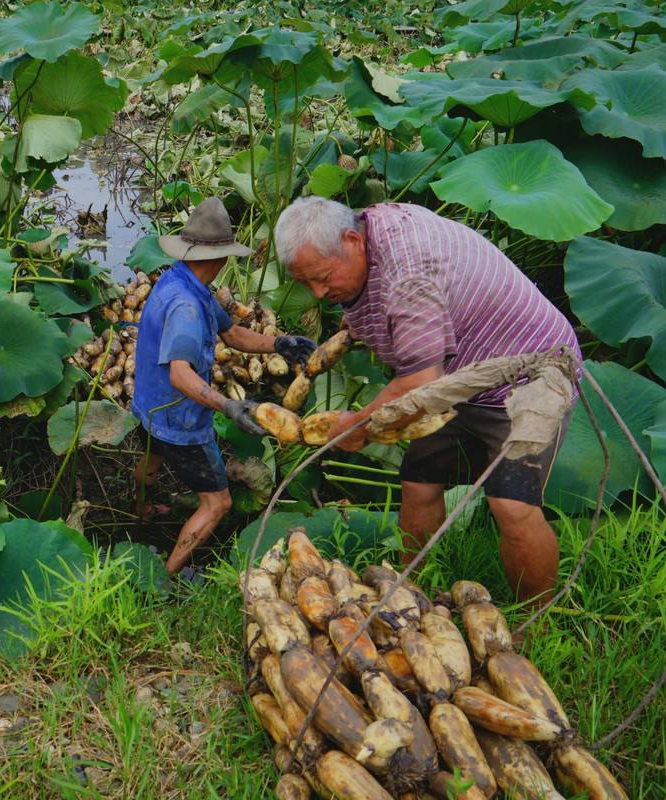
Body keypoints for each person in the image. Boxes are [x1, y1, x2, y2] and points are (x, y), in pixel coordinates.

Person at [273, 196, 580, 604]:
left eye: (323, 277)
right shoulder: (369, 228)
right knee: (418, 483)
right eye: (306, 282)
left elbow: (420, 382)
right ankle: (406, 593)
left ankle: (537, 618)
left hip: (531, 375)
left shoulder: (408, 274)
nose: (317, 292)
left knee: (511, 504)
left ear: (352, 240)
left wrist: (361, 424)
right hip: (458, 378)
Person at [132, 197, 316, 575]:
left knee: (151, 460)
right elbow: (180, 375)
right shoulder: (186, 307)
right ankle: (168, 575)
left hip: (149, 407)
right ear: (219, 258)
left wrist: (280, 344)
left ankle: (141, 511)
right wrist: (228, 406)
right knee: (218, 504)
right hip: (180, 420)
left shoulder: (180, 280)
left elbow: (232, 334)